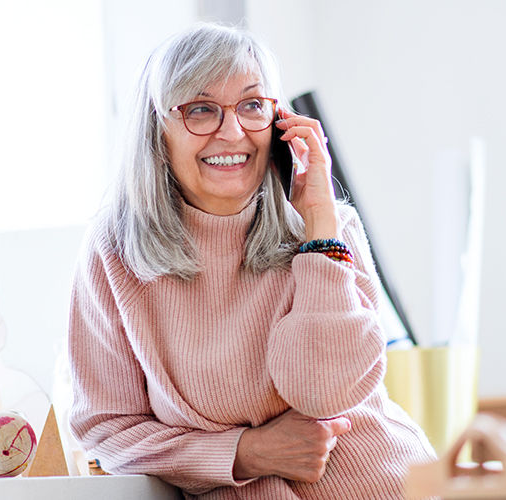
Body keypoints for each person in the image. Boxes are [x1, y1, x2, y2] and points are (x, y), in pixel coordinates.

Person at [68, 23, 435, 499]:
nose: (232, 131)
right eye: (201, 110)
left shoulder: (328, 228)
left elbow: (327, 394)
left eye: (252, 106)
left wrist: (319, 222)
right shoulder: (114, 252)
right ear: (158, 133)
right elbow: (108, 430)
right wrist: (246, 452)